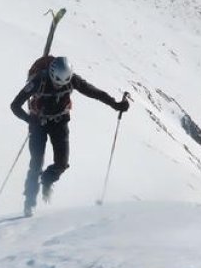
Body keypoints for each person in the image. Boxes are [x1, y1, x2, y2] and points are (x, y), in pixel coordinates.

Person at [10, 56, 128, 215]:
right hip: (38, 123)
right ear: (51, 74)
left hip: (60, 122)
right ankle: (29, 202)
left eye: (64, 82)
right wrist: (29, 119)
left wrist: (115, 104)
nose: (60, 85)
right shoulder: (39, 81)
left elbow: (93, 92)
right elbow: (15, 105)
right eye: (57, 81)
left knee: (62, 163)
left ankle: (47, 180)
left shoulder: (71, 79)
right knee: (36, 163)